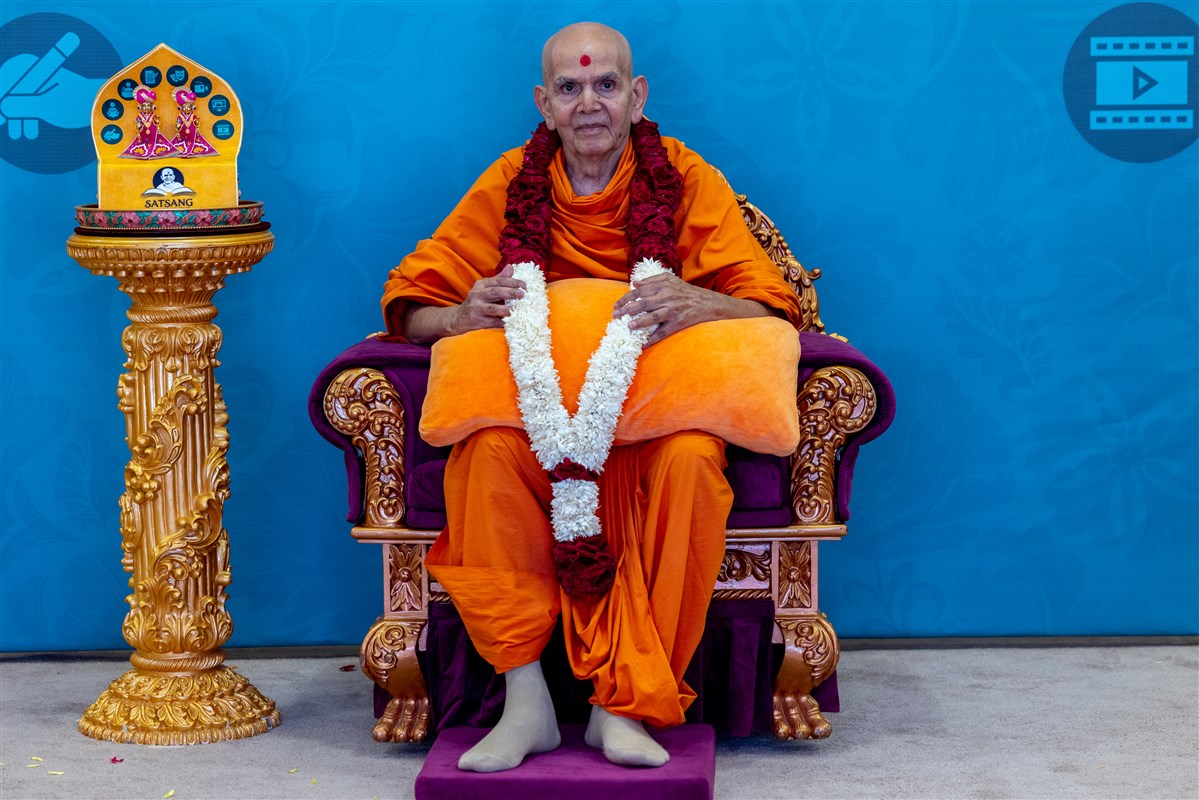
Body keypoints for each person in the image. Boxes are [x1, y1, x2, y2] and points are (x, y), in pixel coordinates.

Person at [381, 22, 802, 772]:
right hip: (540, 431)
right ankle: (525, 703)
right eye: (569, 88)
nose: (588, 104)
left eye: (605, 85)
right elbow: (411, 303)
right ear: (544, 104)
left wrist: (699, 301)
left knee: (692, 462)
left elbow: (770, 304)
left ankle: (626, 704)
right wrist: (459, 315)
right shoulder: (511, 182)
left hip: (653, 425)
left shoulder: (683, 178)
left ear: (636, 97)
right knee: (483, 455)